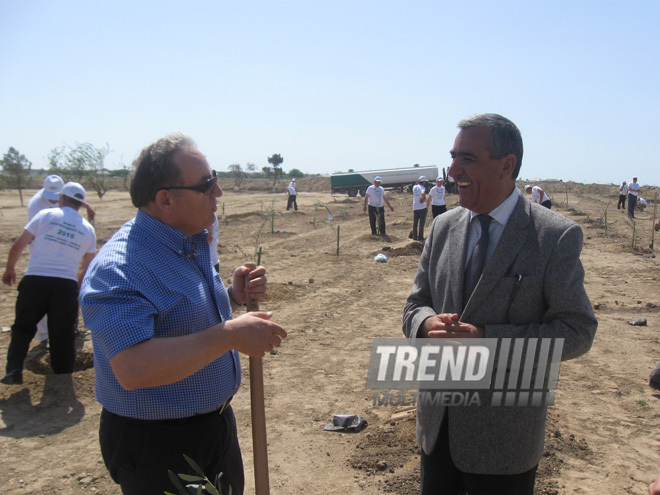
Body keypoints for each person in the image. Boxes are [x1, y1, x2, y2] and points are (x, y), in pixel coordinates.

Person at [79, 134, 287, 495]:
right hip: (159, 444)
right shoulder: (119, 269)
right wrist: (231, 335)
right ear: (166, 199)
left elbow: (178, 314)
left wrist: (232, 297)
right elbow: (133, 368)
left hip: (214, 427)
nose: (218, 192)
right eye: (207, 185)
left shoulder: (190, 241)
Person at [402, 113, 597, 495]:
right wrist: (425, 324)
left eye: (468, 158)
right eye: (453, 156)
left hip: (504, 439)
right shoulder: (443, 227)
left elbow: (577, 331)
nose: (454, 168)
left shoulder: (554, 236)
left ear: (507, 165)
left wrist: (487, 341)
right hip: (436, 427)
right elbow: (416, 303)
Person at [1, 182, 97, 385]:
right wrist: (78, 290)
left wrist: (10, 268)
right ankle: (62, 379)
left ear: (61, 198)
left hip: (35, 280)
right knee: (62, 335)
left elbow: (20, 244)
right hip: (65, 285)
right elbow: (87, 268)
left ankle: (14, 370)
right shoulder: (88, 229)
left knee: (23, 328)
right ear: (80, 204)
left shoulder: (45, 215)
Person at [27, 175, 97, 346]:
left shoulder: (65, 200)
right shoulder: (36, 206)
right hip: (42, 245)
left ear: (62, 196)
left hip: (63, 243)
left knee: (64, 292)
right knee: (43, 295)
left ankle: (69, 329)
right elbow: (40, 234)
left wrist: (87, 206)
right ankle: (44, 336)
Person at [411, 176, 429, 240]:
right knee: (421, 223)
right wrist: (423, 198)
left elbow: (416, 183)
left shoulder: (414, 187)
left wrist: (417, 180)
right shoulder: (422, 187)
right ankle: (420, 237)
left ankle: (414, 236)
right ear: (423, 182)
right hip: (422, 207)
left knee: (415, 223)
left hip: (415, 207)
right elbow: (423, 193)